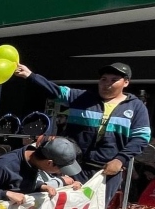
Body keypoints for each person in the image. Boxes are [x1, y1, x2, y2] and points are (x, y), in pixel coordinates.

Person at [15, 62, 151, 199]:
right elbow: (54, 90)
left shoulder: (136, 107)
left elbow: (141, 137)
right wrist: (30, 75)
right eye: (103, 79)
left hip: (107, 172)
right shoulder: (81, 98)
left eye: (114, 80)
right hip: (74, 167)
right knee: (65, 205)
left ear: (126, 82)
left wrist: (120, 160)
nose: (106, 84)